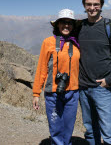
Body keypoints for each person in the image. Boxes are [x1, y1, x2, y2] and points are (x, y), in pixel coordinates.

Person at [78, 0, 111, 145]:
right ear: (84, 6)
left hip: (102, 89)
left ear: (101, 6)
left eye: (95, 4)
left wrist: (110, 80)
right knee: (91, 131)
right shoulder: (79, 27)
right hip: (83, 88)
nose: (92, 7)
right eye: (89, 4)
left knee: (109, 134)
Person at [32, 9, 81, 145]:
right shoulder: (48, 42)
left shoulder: (76, 43)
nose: (66, 25)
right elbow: (42, 68)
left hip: (73, 92)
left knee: (68, 128)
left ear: (73, 25)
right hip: (53, 92)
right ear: (57, 25)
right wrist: (36, 93)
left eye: (69, 23)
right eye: (63, 22)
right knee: (56, 128)